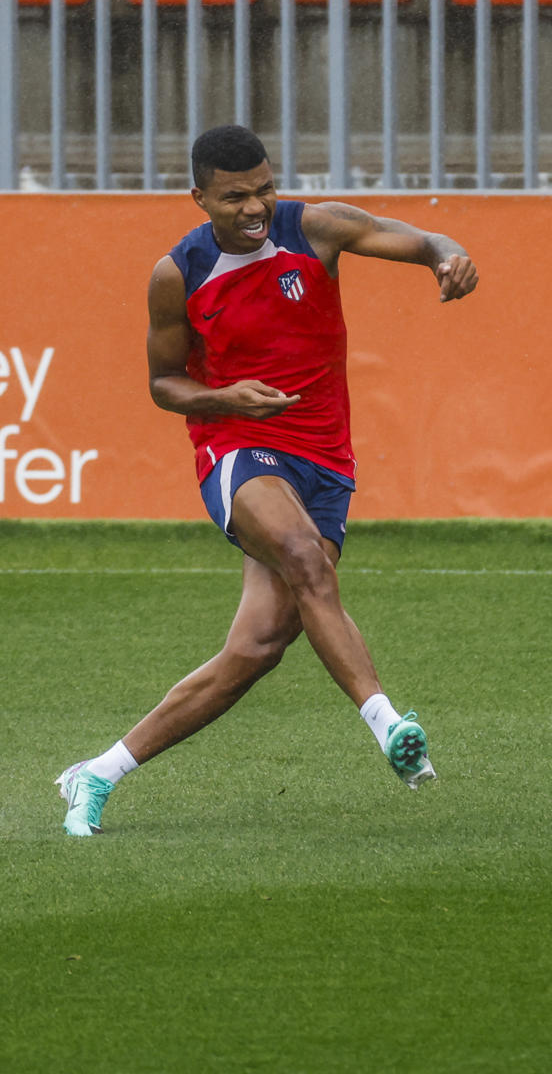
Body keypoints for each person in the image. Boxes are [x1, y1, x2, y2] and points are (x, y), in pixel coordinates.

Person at [56, 125, 479, 837]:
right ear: (198, 197)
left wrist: (449, 255)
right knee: (305, 557)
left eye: (264, 190)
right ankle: (389, 726)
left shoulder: (313, 229)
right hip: (237, 445)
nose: (255, 208)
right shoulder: (178, 273)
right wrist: (224, 399)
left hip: (326, 460)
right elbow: (164, 383)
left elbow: (400, 235)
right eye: (234, 197)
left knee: (256, 649)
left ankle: (98, 772)